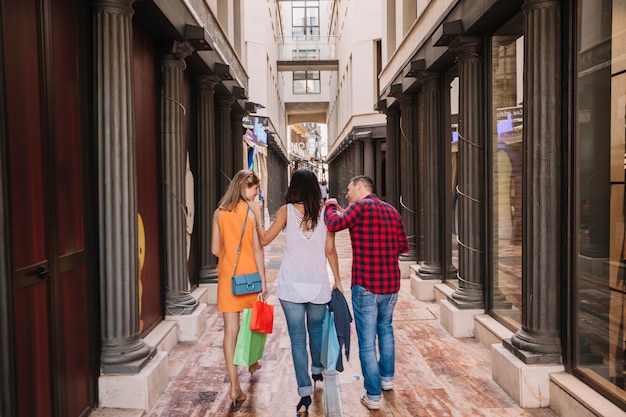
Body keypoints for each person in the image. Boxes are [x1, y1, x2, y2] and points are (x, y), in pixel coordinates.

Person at [250, 169, 343, 416]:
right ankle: (316, 369)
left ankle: (304, 391)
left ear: (294, 187)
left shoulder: (286, 212)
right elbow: (330, 250)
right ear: (315, 189)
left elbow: (264, 240)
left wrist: (259, 218)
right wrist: (338, 281)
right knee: (316, 332)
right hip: (318, 285)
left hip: (291, 286)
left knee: (297, 340)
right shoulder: (326, 216)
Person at [323, 175, 408, 411]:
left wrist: (330, 203)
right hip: (390, 285)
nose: (347, 195)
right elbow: (402, 246)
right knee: (386, 330)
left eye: (349, 190)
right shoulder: (392, 211)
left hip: (366, 286)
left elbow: (333, 223)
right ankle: (386, 379)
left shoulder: (359, 207)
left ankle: (372, 395)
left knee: (368, 342)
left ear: (360, 187)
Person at [211, 169, 268, 407]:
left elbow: (215, 249)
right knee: (254, 324)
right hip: (250, 277)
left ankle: (235, 387)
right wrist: (264, 281)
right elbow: (257, 248)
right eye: (255, 188)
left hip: (228, 277)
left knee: (230, 331)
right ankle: (253, 362)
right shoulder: (251, 211)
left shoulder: (219, 213)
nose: (256, 193)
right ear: (245, 188)